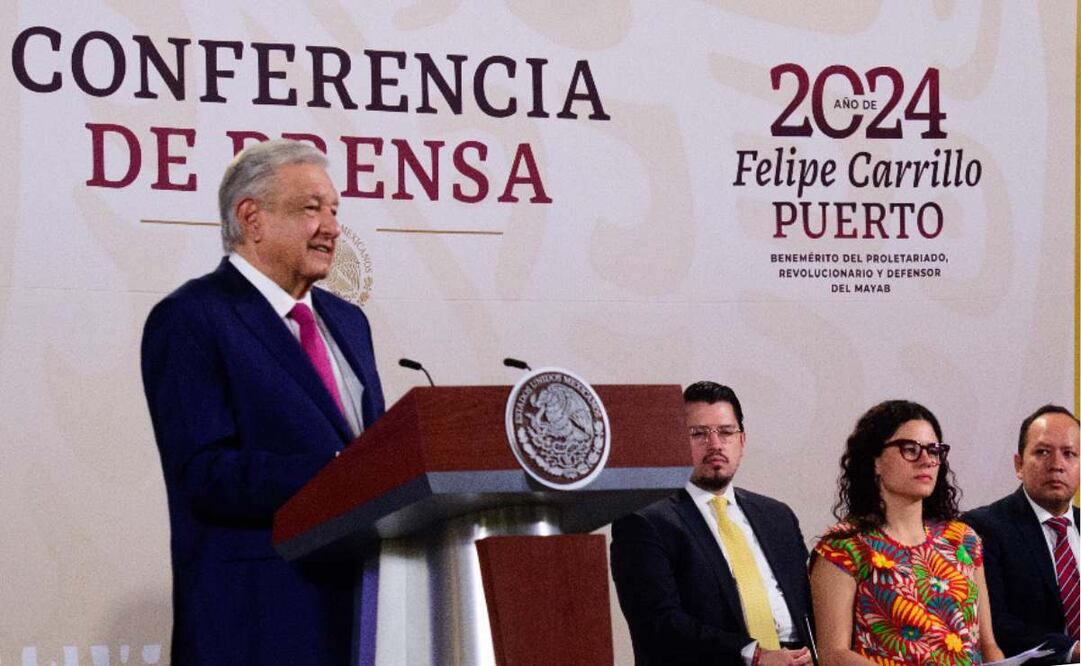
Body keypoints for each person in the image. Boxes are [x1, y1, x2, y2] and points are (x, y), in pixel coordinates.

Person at [141, 140, 385, 665]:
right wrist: (339, 473)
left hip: (363, 614)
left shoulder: (349, 322)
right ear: (252, 218)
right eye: (311, 209)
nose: (333, 227)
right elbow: (205, 473)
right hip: (256, 620)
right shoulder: (192, 319)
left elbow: (379, 454)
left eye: (335, 210)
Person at [610, 381, 814, 666]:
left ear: (742, 441)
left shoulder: (777, 516)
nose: (715, 444)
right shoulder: (644, 522)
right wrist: (753, 656)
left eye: (726, 432)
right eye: (699, 434)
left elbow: (810, 604)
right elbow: (659, 625)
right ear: (676, 441)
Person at [810, 400, 1003, 665]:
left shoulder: (963, 540)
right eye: (910, 449)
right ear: (875, 460)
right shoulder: (844, 547)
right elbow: (834, 655)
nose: (926, 460)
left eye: (933, 450)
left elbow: (987, 644)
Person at [963, 405, 1080, 664]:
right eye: (1042, 452)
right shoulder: (983, 527)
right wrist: (1072, 650)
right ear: (1019, 464)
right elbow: (994, 622)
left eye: (1069, 454)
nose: (1057, 465)